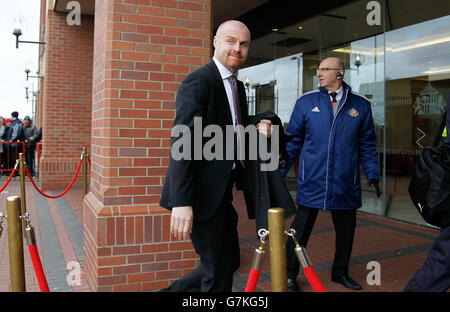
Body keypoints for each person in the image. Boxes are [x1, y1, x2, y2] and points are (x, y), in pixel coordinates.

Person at [159, 20, 272, 292]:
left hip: (223, 195)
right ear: (215, 41)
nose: (237, 48)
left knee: (228, 261)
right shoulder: (199, 81)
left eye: (244, 44)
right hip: (200, 197)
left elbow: (232, 125)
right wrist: (182, 202)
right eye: (231, 41)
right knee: (218, 273)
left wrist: (262, 121)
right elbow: (183, 142)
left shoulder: (237, 86)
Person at [280, 57, 381, 291]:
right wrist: (280, 171)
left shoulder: (360, 105)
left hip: (345, 181)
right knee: (300, 230)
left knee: (346, 231)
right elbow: (293, 140)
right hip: (312, 179)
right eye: (318, 69)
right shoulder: (306, 102)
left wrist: (373, 173)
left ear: (340, 73)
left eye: (325, 69)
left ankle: (340, 273)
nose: (319, 73)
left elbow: (367, 144)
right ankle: (289, 274)